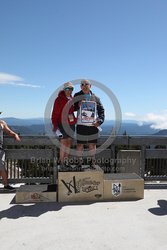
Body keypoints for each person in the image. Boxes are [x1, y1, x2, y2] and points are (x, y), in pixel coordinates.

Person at [74, 79, 105, 169]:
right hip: (81, 124)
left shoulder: (96, 97)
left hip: (93, 124)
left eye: (86, 84)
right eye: (82, 84)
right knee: (80, 144)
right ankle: (79, 163)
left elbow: (101, 111)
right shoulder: (76, 95)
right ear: (80, 86)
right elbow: (71, 108)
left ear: (90, 86)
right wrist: (77, 105)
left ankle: (92, 163)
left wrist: (99, 121)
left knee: (92, 145)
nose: (84, 85)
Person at [51, 82, 76, 171]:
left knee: (69, 143)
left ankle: (66, 162)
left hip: (71, 124)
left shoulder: (72, 99)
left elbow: (72, 110)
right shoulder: (59, 99)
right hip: (63, 124)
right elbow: (55, 114)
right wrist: (56, 127)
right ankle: (62, 163)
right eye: (67, 89)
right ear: (64, 89)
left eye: (71, 89)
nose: (69, 90)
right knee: (63, 144)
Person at [0, 113, 21, 190]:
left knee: (2, 168)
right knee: (2, 168)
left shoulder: (2, 123)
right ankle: (6, 185)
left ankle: (6, 185)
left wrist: (15, 134)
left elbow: (8, 131)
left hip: (0, 148)